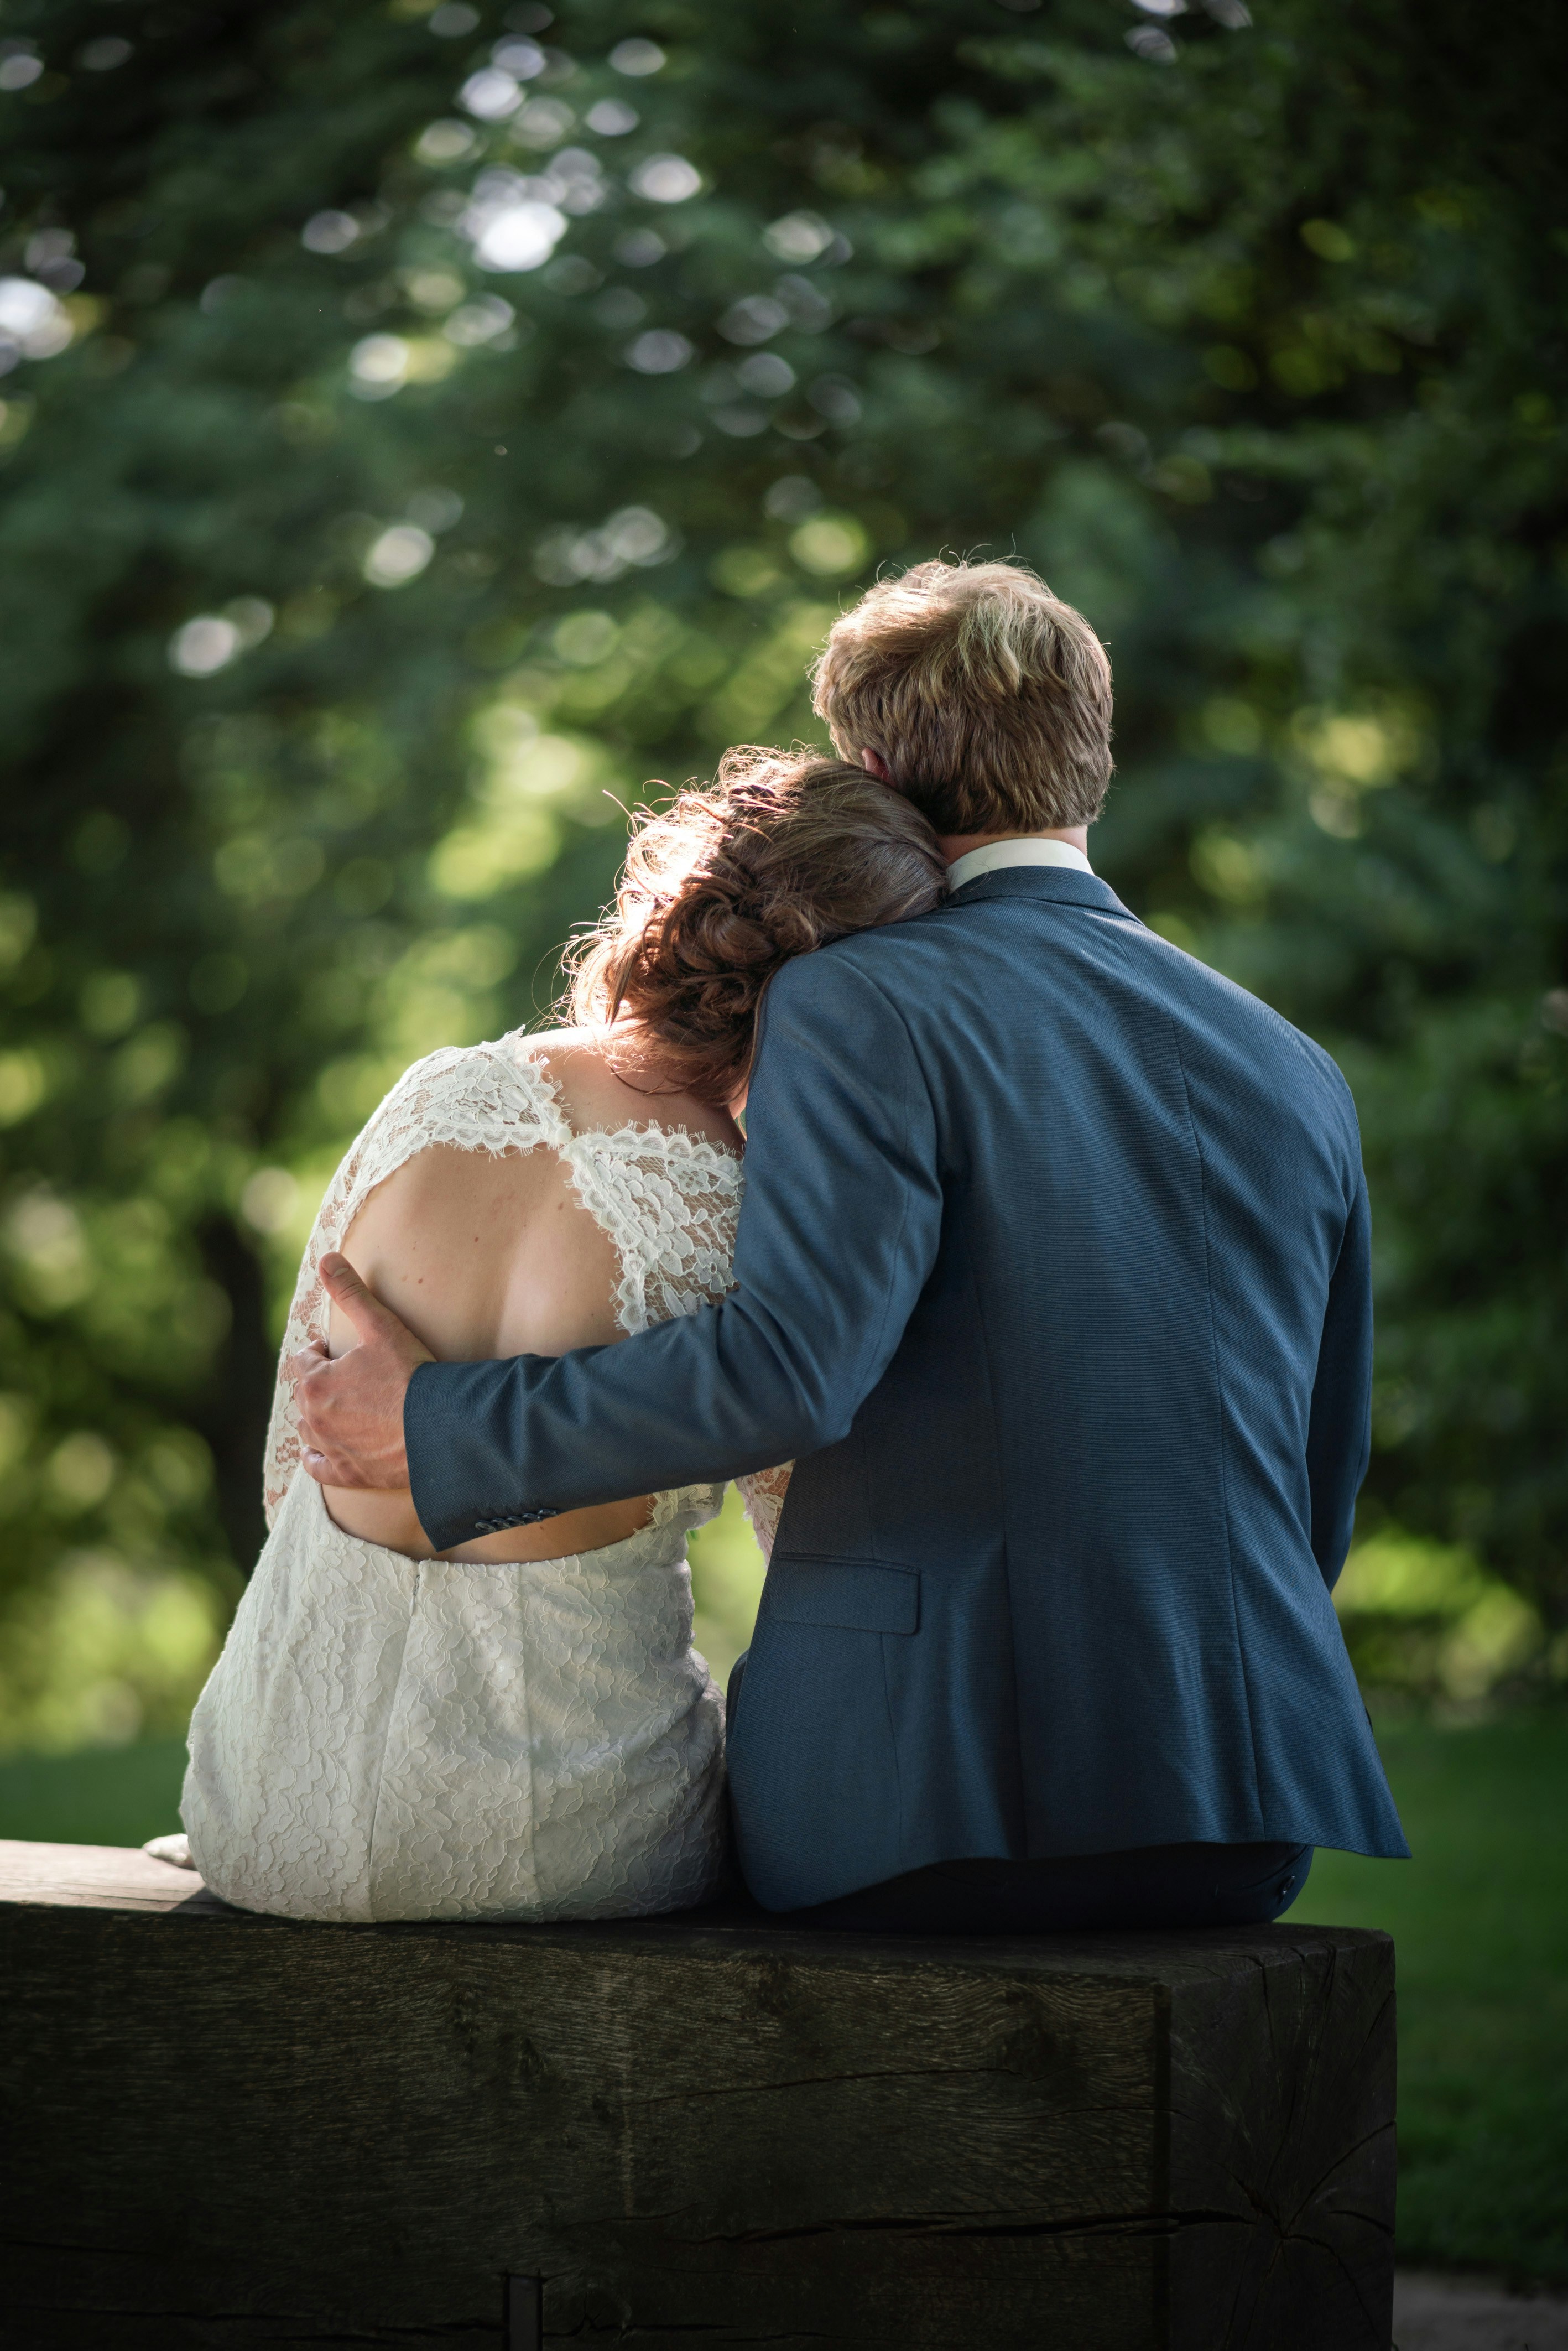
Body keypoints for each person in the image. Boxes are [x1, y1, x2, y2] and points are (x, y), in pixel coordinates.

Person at [292, 559, 1410, 1934]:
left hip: (920, 1809)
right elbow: (1321, 1470)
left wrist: (444, 1425)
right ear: (1088, 764)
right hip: (1243, 1807)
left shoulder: (855, 996)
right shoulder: (1287, 1061)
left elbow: (794, 1370)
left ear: (873, 764)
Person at [175, 753, 945, 1922]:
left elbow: (298, 1466)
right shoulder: (755, 1212)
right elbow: (812, 1565)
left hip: (265, 1802)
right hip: (562, 1837)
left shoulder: (431, 1094)